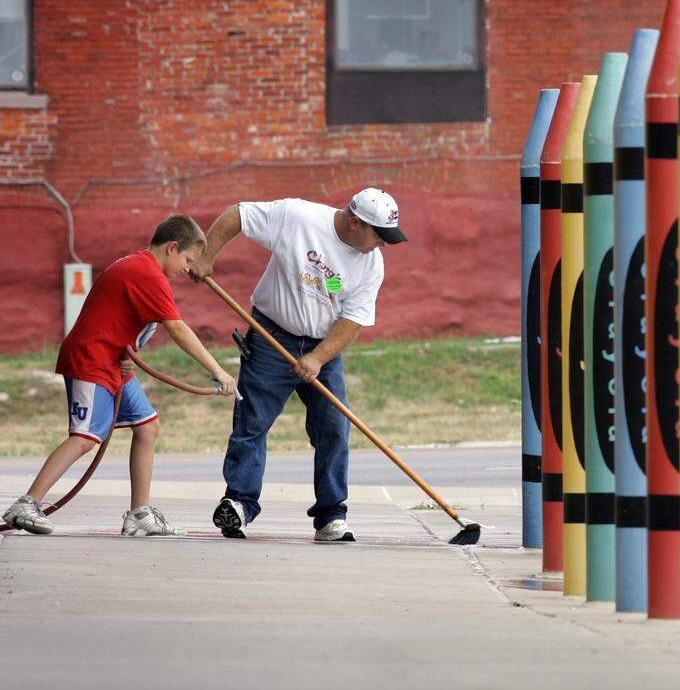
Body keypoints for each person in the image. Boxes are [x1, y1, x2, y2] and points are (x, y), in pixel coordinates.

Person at [190, 188, 406, 542]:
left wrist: (319, 358)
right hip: (270, 336)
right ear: (355, 222)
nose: (380, 245)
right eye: (378, 236)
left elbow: (353, 319)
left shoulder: (370, 263)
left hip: (324, 347)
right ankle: (239, 504)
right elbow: (238, 215)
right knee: (252, 421)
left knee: (334, 427)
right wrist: (206, 256)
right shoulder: (298, 217)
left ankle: (331, 516)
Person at [2, 215, 237, 536]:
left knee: (147, 426)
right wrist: (218, 370)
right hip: (91, 360)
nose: (187, 268)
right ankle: (27, 503)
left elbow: (123, 318)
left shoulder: (142, 267)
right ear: (172, 248)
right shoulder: (147, 274)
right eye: (187, 260)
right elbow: (178, 329)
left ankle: (140, 513)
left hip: (113, 361)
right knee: (85, 437)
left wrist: (130, 353)